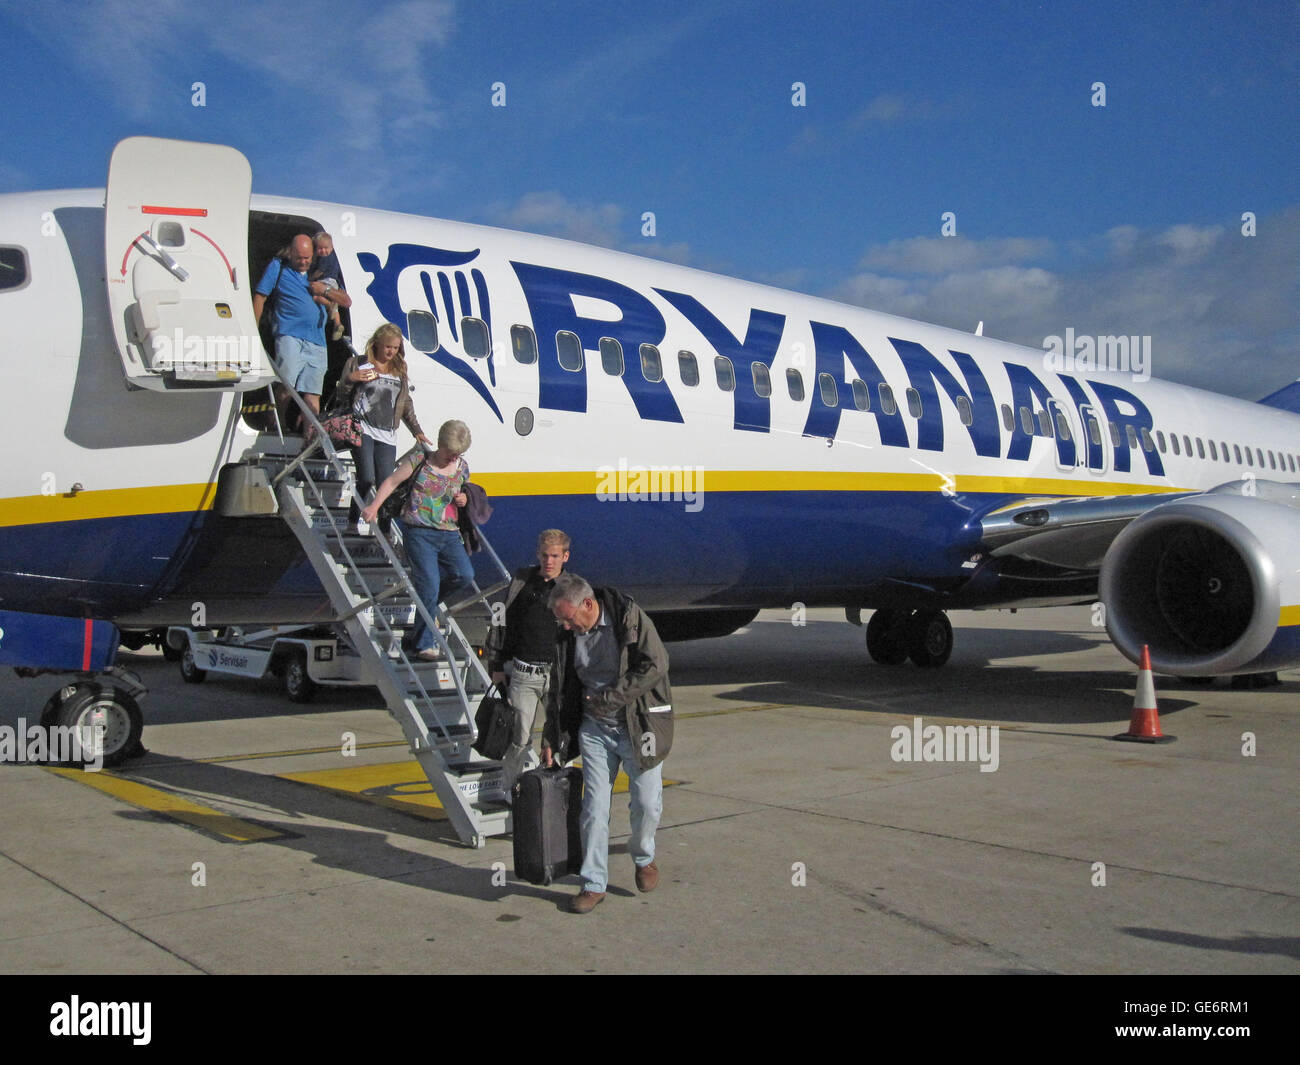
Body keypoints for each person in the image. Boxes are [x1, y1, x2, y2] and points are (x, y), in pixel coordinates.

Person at [542, 573, 674, 914]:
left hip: (638, 727)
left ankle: (644, 858)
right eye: (561, 621)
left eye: (568, 618)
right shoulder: (567, 634)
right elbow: (558, 689)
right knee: (594, 809)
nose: (566, 626)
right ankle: (593, 883)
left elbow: (657, 664)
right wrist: (551, 736)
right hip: (593, 730)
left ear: (588, 604)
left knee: (646, 804)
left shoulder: (628, 617)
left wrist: (612, 697)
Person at [361, 420, 475, 661]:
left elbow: (461, 490)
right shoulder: (419, 462)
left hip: (449, 532)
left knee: (464, 575)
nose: (453, 458)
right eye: (450, 453)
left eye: (458, 454)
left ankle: (429, 607)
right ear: (440, 444)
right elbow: (392, 482)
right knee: (429, 585)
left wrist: (462, 498)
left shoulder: (461, 467)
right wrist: (373, 507)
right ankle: (423, 643)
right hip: (420, 531)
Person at [484, 529, 571, 790]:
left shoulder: (572, 587)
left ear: (565, 556)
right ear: (537, 554)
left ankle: (553, 796)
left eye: (555, 556)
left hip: (557, 675)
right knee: (519, 739)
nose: (549, 561)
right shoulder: (522, 581)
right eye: (545, 555)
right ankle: (511, 794)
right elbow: (502, 624)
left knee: (558, 739)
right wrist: (496, 664)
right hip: (524, 674)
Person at [333, 323, 430, 534]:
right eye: (388, 347)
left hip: (387, 433)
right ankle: (352, 523)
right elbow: (341, 395)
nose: (391, 352)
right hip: (362, 428)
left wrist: (417, 430)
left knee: (387, 484)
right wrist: (351, 379)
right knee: (366, 477)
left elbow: (405, 403)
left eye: (395, 348)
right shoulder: (358, 363)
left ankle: (385, 531)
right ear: (376, 343)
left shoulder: (399, 369)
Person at [253, 234, 352, 426]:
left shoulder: (322, 271)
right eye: (300, 258)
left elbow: (346, 301)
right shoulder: (279, 267)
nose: (304, 262)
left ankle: (309, 434)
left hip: (317, 341)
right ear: (291, 254)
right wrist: (253, 331)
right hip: (289, 333)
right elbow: (260, 296)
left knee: (313, 392)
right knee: (287, 384)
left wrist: (324, 290)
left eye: (308, 258)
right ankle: (276, 422)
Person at [310, 231, 347, 342]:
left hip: (326, 281)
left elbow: (320, 271)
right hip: (334, 283)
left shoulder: (325, 258)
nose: (323, 251)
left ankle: (329, 304)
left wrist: (311, 278)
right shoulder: (336, 258)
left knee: (314, 297)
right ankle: (338, 324)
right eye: (320, 249)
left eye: (326, 248)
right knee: (336, 310)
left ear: (332, 247)